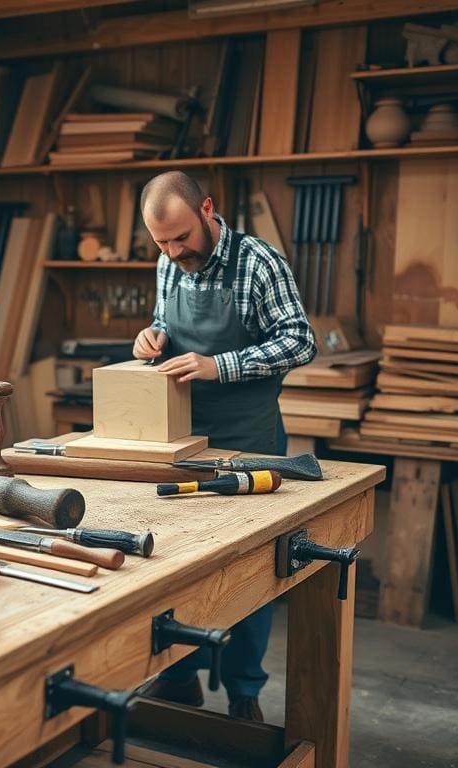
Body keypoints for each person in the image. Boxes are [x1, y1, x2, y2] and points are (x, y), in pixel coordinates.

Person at [134, 171, 316, 721]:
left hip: (248, 434)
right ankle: (180, 677)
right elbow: (168, 322)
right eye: (161, 242)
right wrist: (152, 335)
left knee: (253, 566)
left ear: (208, 209)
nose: (172, 251)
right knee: (173, 562)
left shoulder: (258, 262)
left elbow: (299, 340)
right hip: (183, 432)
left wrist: (222, 365)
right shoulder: (169, 261)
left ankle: (244, 691)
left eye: (181, 237)